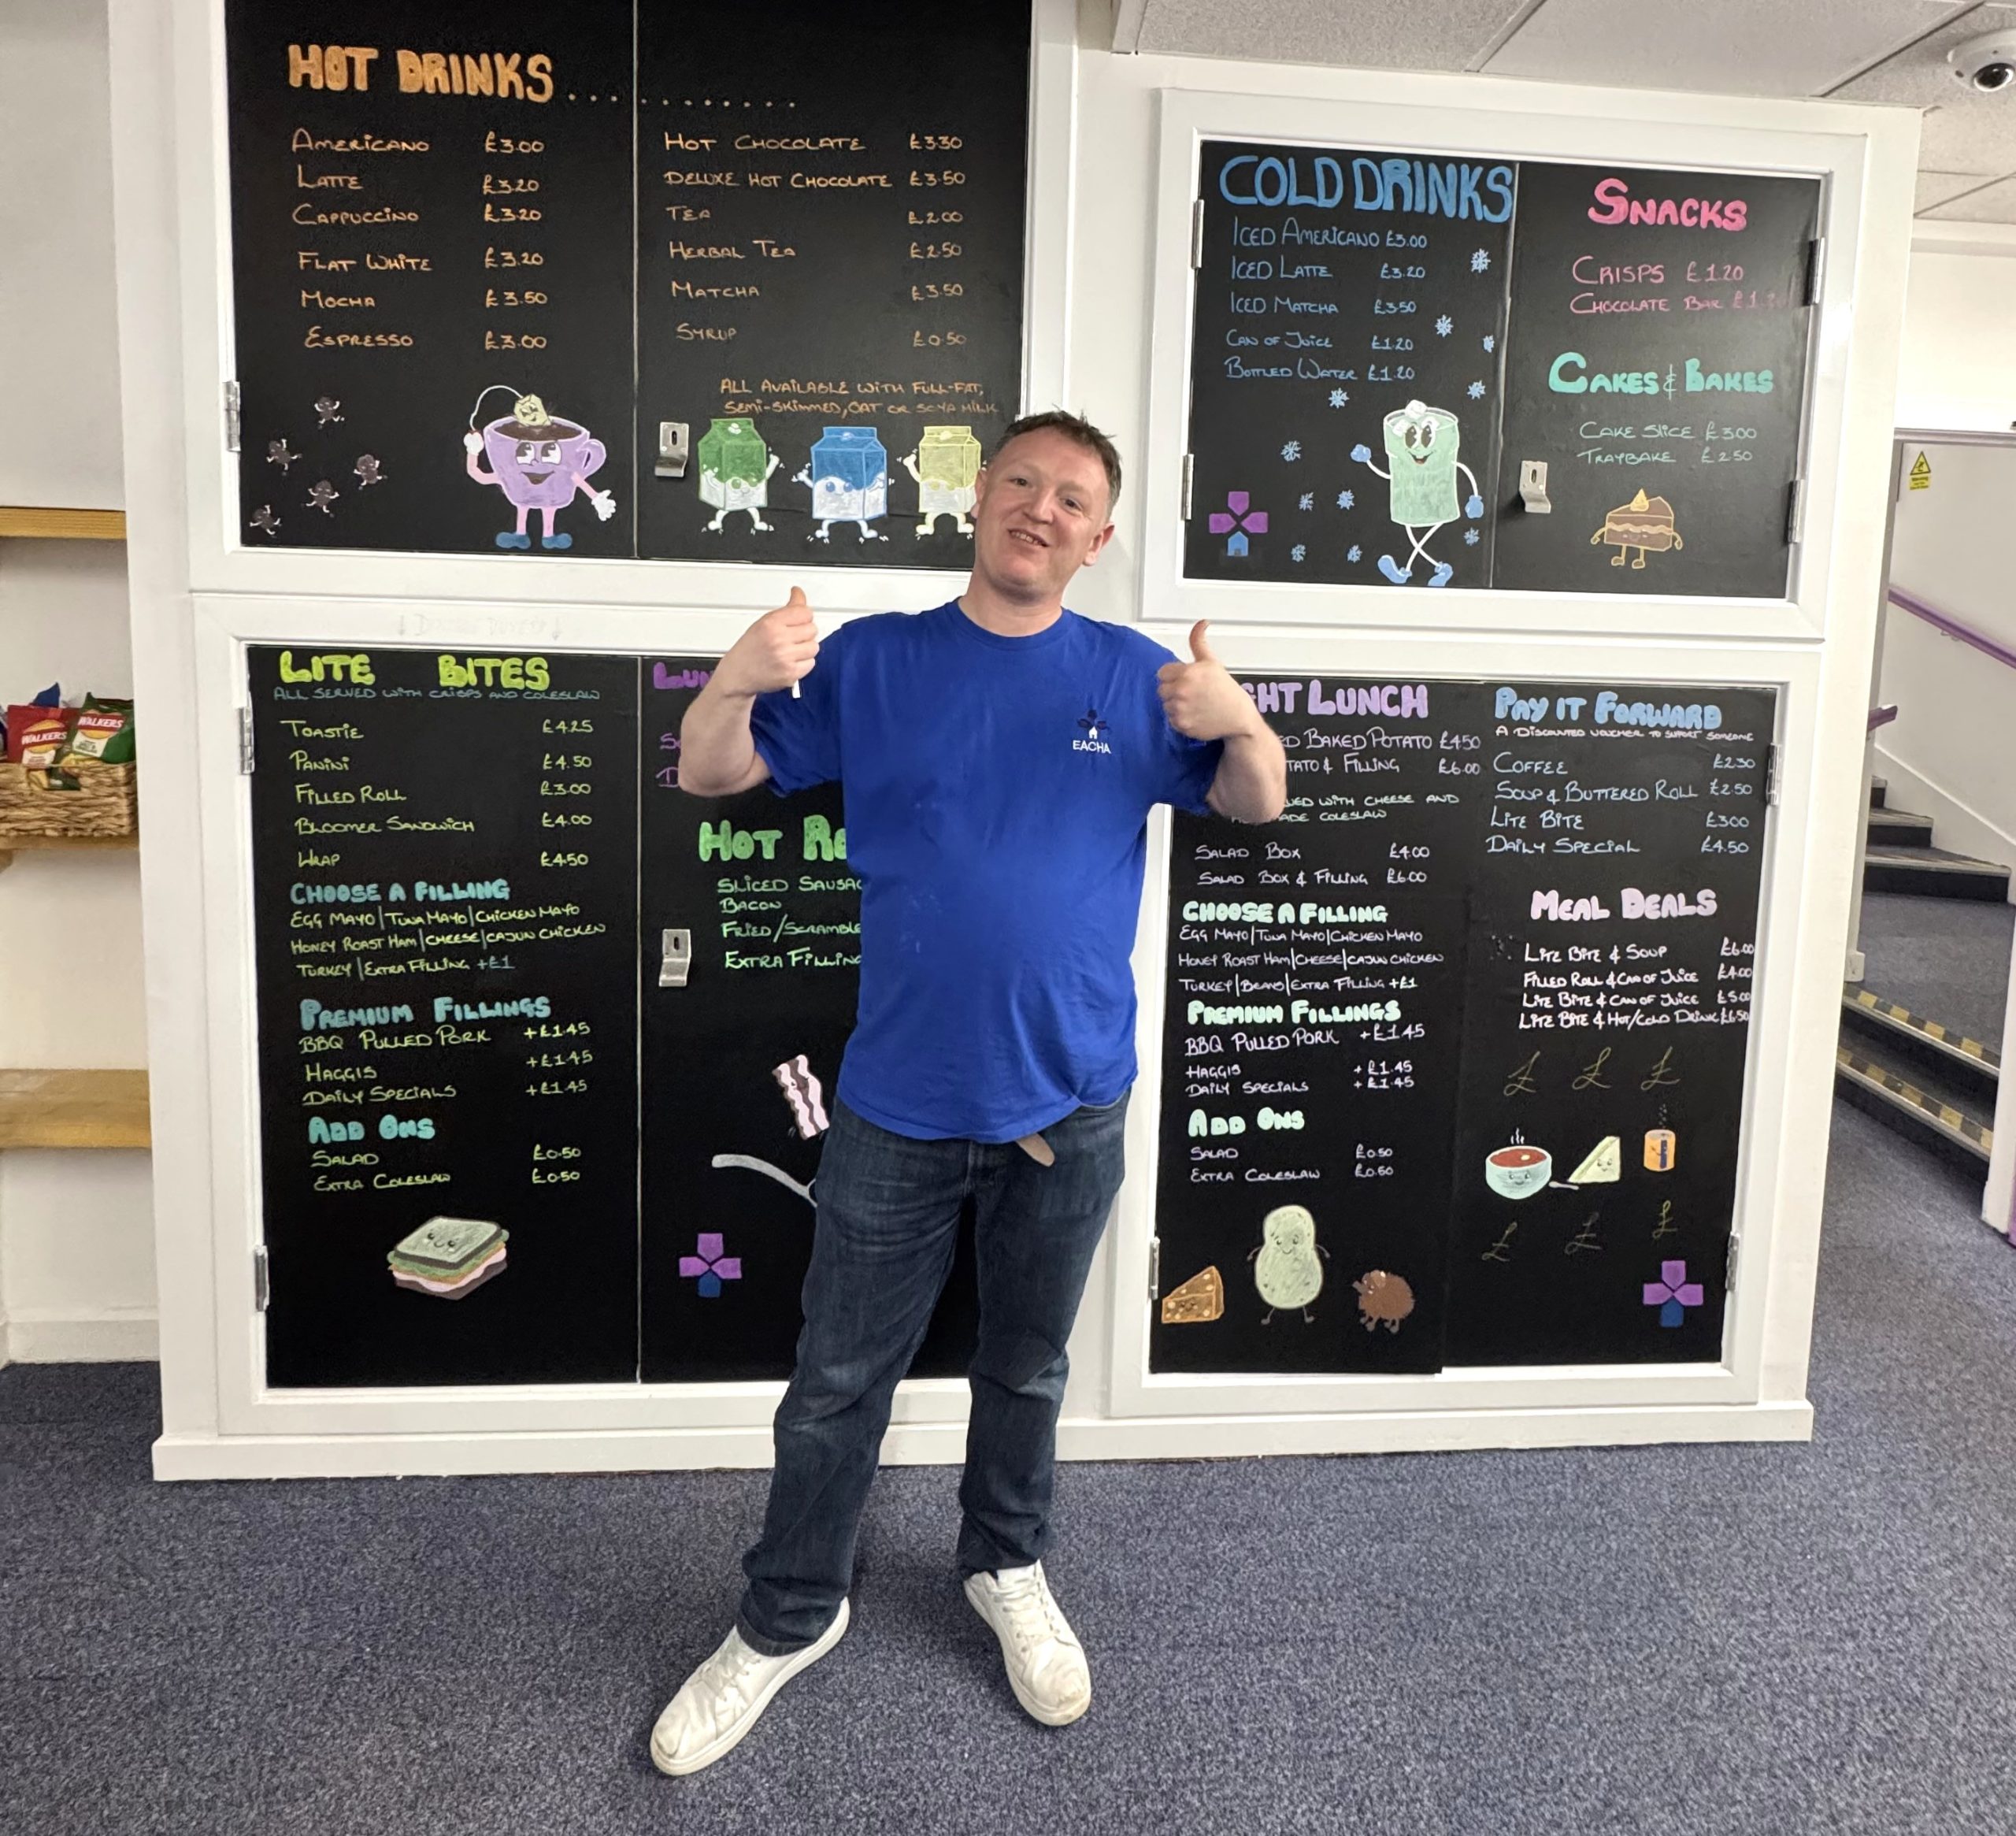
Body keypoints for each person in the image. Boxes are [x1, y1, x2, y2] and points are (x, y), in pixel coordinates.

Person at [651, 410, 1286, 1775]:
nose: (1041, 510)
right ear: (978, 501)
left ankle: (1005, 1566)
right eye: (1020, 484)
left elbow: (1256, 803)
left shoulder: (1134, 677)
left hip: (1072, 1103)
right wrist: (728, 679)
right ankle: (786, 1616)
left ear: (1100, 538)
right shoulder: (875, 660)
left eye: (1072, 499)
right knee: (834, 1382)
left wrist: (1244, 723)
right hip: (895, 1103)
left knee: (1029, 1366)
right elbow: (710, 771)